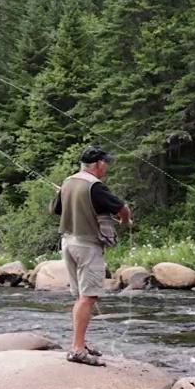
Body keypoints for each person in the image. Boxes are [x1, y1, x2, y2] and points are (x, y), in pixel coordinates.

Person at [50, 146, 132, 366]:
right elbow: (123, 208)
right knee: (88, 298)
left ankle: (80, 344)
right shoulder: (95, 186)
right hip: (87, 246)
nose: (106, 167)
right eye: (105, 163)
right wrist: (125, 223)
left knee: (81, 298)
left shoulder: (68, 182)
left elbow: (56, 211)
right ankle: (77, 349)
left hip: (68, 243)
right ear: (98, 164)